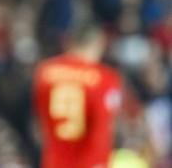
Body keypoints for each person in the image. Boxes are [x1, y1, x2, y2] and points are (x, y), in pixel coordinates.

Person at [32, 23, 123, 168]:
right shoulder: (105, 78)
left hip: (54, 162)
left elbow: (39, 123)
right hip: (89, 163)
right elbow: (104, 126)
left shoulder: (45, 72)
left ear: (70, 42)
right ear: (99, 43)